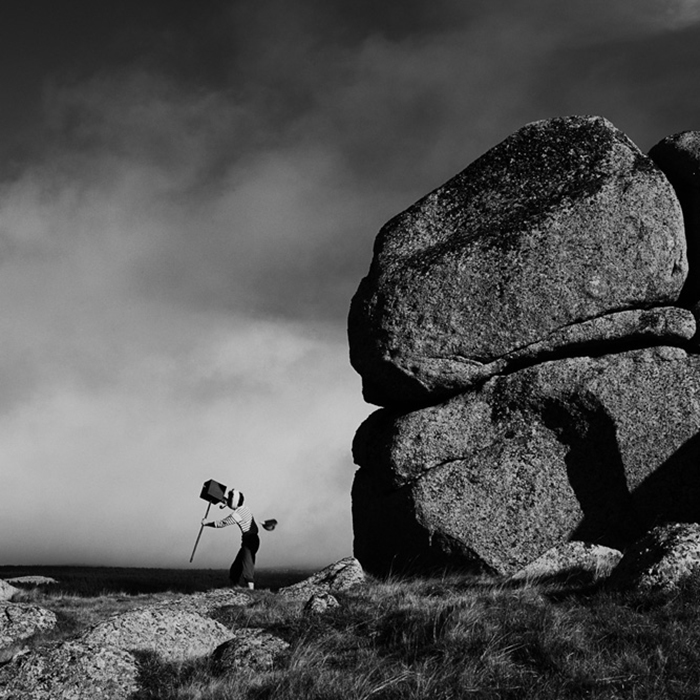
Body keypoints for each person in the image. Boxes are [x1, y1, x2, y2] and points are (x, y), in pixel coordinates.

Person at [202, 489, 259, 589]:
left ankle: (252, 592)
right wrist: (223, 500)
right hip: (253, 540)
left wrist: (206, 523)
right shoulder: (245, 508)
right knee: (236, 567)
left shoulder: (237, 514)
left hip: (249, 542)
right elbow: (233, 505)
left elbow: (222, 523)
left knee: (247, 567)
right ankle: (235, 588)